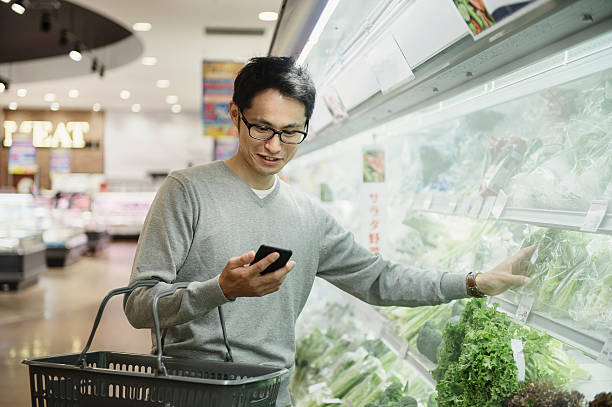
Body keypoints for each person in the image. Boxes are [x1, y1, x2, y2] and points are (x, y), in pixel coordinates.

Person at [123, 56, 535, 407]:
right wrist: (221, 289)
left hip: (270, 395)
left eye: (291, 133)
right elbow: (138, 305)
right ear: (235, 115)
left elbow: (380, 279)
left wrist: (475, 282)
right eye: (262, 128)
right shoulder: (187, 190)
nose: (275, 146)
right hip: (189, 393)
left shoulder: (307, 216)